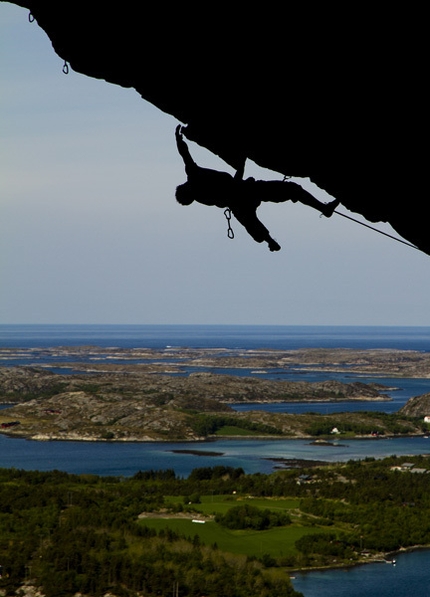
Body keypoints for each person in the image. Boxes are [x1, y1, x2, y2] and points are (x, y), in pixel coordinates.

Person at [175, 125, 340, 251]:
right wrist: (178, 139)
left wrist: (179, 140)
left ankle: (272, 241)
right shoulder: (195, 180)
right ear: (185, 188)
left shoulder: (200, 192)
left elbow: (185, 155)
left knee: (253, 221)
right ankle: (322, 208)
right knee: (291, 190)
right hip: (245, 192)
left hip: (241, 197)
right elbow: (230, 190)